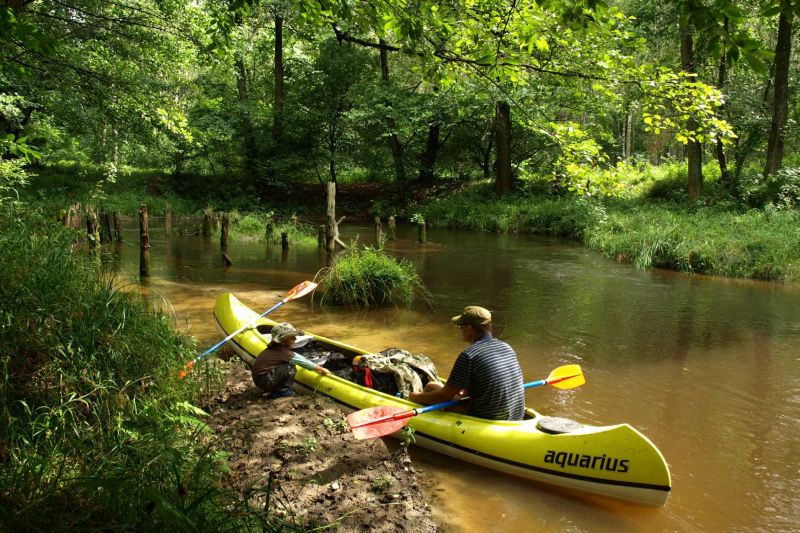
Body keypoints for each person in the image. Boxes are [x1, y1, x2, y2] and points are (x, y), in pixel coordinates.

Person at [408, 306, 525, 420]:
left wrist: (415, 396)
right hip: (517, 416)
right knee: (431, 385)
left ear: (469, 329)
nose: (460, 330)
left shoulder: (468, 356)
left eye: (460, 326)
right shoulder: (506, 347)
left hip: (487, 417)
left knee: (426, 393)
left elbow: (443, 397)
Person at [250, 322, 330, 399]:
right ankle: (281, 391)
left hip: (260, 379)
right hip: (264, 381)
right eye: (292, 337)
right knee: (289, 366)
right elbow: (304, 362)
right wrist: (321, 369)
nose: (295, 339)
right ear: (283, 341)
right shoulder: (283, 352)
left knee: (287, 364)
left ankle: (272, 389)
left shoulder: (273, 348)